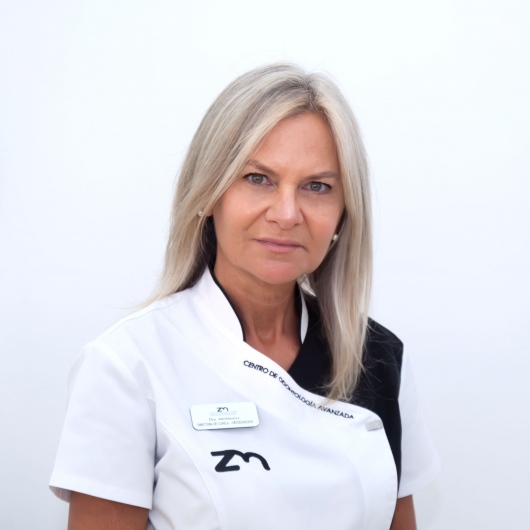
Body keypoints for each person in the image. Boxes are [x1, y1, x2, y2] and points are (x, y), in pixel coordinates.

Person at [50, 63, 440, 530]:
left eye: (317, 186)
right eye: (258, 178)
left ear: (343, 213)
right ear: (209, 193)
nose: (287, 213)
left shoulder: (378, 356)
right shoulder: (127, 366)